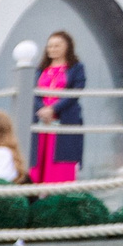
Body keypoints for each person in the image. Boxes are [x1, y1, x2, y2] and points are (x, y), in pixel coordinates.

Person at [33, 30, 87, 185]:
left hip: (64, 120)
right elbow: (33, 93)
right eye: (50, 46)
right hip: (42, 121)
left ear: (67, 47)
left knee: (62, 160)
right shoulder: (40, 69)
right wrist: (43, 109)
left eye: (57, 45)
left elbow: (76, 90)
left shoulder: (76, 68)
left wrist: (53, 109)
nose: (53, 49)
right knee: (38, 159)